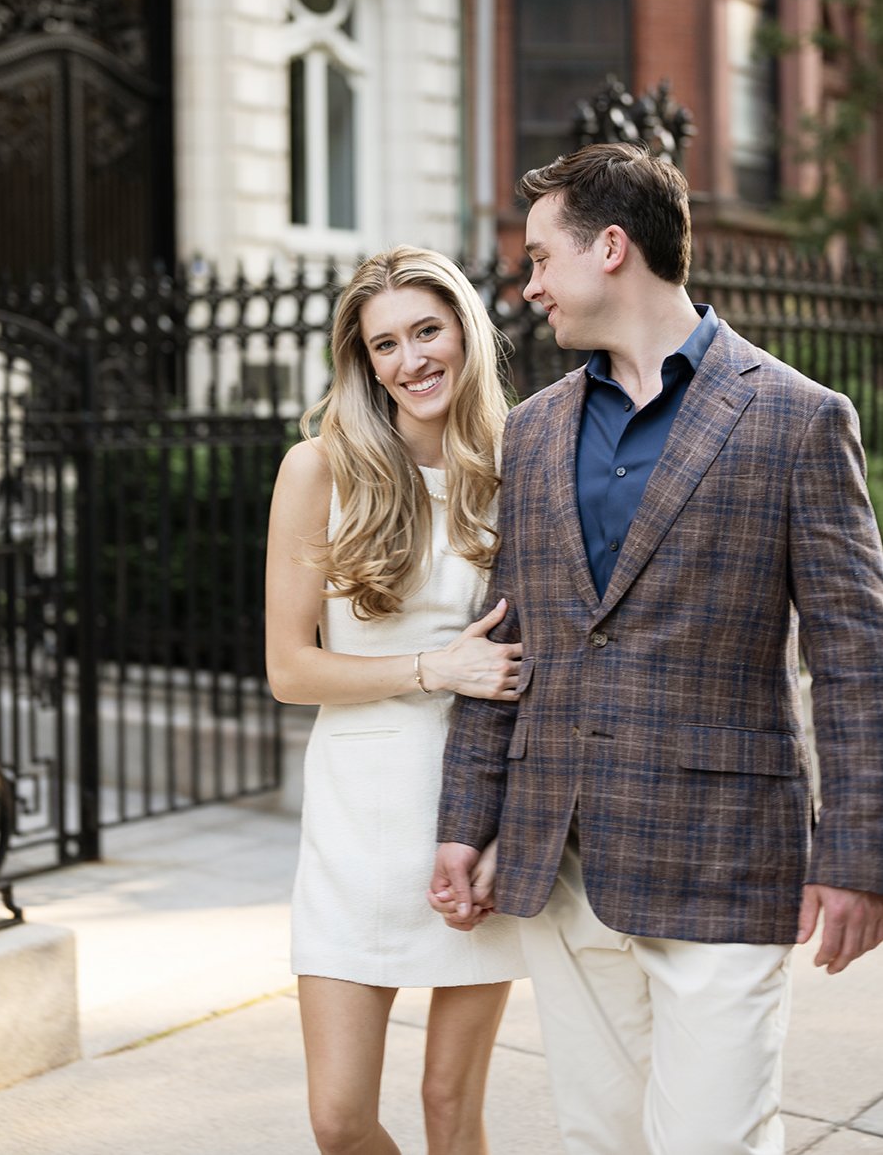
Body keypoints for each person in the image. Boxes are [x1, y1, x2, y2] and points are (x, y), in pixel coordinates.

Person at [430, 142, 883, 1155]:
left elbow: (857, 663)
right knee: (600, 1138)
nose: (530, 284)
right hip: (566, 855)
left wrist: (858, 857)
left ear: (613, 249)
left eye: (543, 257)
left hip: (722, 858)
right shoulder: (535, 431)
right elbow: (505, 636)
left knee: (715, 1142)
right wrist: (466, 819)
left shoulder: (799, 419)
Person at [265, 245, 527, 1155]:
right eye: (385, 344)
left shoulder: (521, 462)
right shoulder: (319, 471)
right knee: (339, 1120)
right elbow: (291, 670)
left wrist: (511, 836)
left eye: (427, 330)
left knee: (452, 1110)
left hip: (472, 813)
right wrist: (431, 669)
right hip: (356, 818)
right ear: (361, 360)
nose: (411, 360)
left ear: (464, 332)